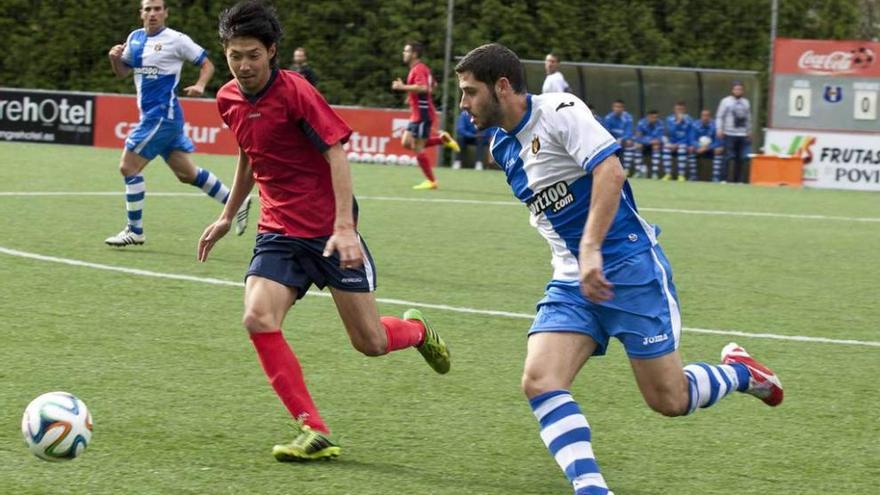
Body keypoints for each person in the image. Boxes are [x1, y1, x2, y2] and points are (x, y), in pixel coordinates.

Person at [456, 43, 783, 495]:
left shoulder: (561, 111)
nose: (463, 103)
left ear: (503, 86)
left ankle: (744, 373)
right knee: (539, 380)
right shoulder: (500, 146)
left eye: (470, 92)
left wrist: (591, 248)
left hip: (628, 267)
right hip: (572, 280)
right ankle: (592, 489)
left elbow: (610, 172)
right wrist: (577, 261)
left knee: (670, 400)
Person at [201, 0, 451, 462]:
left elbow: (336, 152)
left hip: (329, 232)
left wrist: (344, 227)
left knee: (370, 342)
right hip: (277, 231)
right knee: (257, 317)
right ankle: (313, 429)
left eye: (252, 54)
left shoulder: (296, 93)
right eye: (235, 55)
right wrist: (226, 213)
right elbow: (248, 153)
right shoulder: (228, 99)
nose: (243, 65)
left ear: (272, 51)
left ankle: (416, 331)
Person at [104, 0, 250, 247]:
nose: (153, 13)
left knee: (128, 167)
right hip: (157, 117)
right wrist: (114, 58)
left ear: (165, 13)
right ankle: (236, 201)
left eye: (157, 8)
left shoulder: (176, 39)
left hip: (162, 115)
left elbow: (207, 64)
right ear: (141, 14)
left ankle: (135, 230)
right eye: (148, 9)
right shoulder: (135, 38)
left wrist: (201, 85)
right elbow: (122, 72)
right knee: (187, 174)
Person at [391, 42, 459, 190]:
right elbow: (433, 85)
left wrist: (403, 88)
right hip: (418, 112)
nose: (404, 53)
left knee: (417, 147)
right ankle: (441, 140)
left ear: (414, 54)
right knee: (406, 142)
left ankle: (432, 181)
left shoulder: (418, 69)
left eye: (406, 51)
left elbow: (424, 87)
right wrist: (412, 96)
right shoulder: (421, 69)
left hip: (422, 113)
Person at [715, 82, 752, 183]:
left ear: (743, 91)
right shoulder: (725, 101)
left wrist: (749, 131)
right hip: (729, 133)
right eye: (736, 89)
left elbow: (748, 118)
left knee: (740, 158)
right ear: (732, 90)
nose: (738, 91)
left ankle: (738, 180)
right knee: (727, 157)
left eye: (740, 89)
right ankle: (724, 178)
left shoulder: (746, 102)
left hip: (742, 133)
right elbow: (719, 116)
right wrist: (719, 129)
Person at [602, 100, 639, 177]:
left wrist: (622, 139)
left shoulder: (628, 117)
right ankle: (610, 170)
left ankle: (627, 170)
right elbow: (606, 133)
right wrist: (615, 141)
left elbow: (629, 132)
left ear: (623, 108)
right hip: (612, 141)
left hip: (624, 141)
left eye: (620, 107)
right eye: (616, 106)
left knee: (631, 143)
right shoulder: (608, 118)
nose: (618, 108)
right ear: (613, 108)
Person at [691, 109, 725, 182]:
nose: (705, 117)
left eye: (707, 116)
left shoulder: (715, 125)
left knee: (719, 150)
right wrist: (698, 146)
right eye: (703, 115)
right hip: (699, 148)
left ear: (710, 117)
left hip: (711, 149)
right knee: (691, 149)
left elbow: (718, 141)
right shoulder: (695, 125)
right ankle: (693, 176)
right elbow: (692, 139)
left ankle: (716, 177)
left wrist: (708, 147)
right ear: (701, 116)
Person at [663, 101, 694, 181]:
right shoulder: (669, 119)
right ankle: (668, 174)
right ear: (674, 109)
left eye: (681, 109)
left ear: (684, 110)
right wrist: (678, 122)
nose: (679, 111)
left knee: (682, 149)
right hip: (672, 143)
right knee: (666, 148)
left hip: (683, 143)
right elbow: (670, 132)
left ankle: (681, 175)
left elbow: (690, 134)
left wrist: (690, 145)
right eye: (678, 109)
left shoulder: (689, 119)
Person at [635, 110, 665, 179]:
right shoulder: (641, 123)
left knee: (656, 146)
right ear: (648, 117)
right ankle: (638, 171)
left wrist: (647, 141)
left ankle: (655, 173)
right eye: (652, 117)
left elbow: (659, 138)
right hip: (644, 144)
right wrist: (648, 142)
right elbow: (638, 137)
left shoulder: (660, 124)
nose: (654, 119)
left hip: (654, 145)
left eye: (656, 117)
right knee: (637, 145)